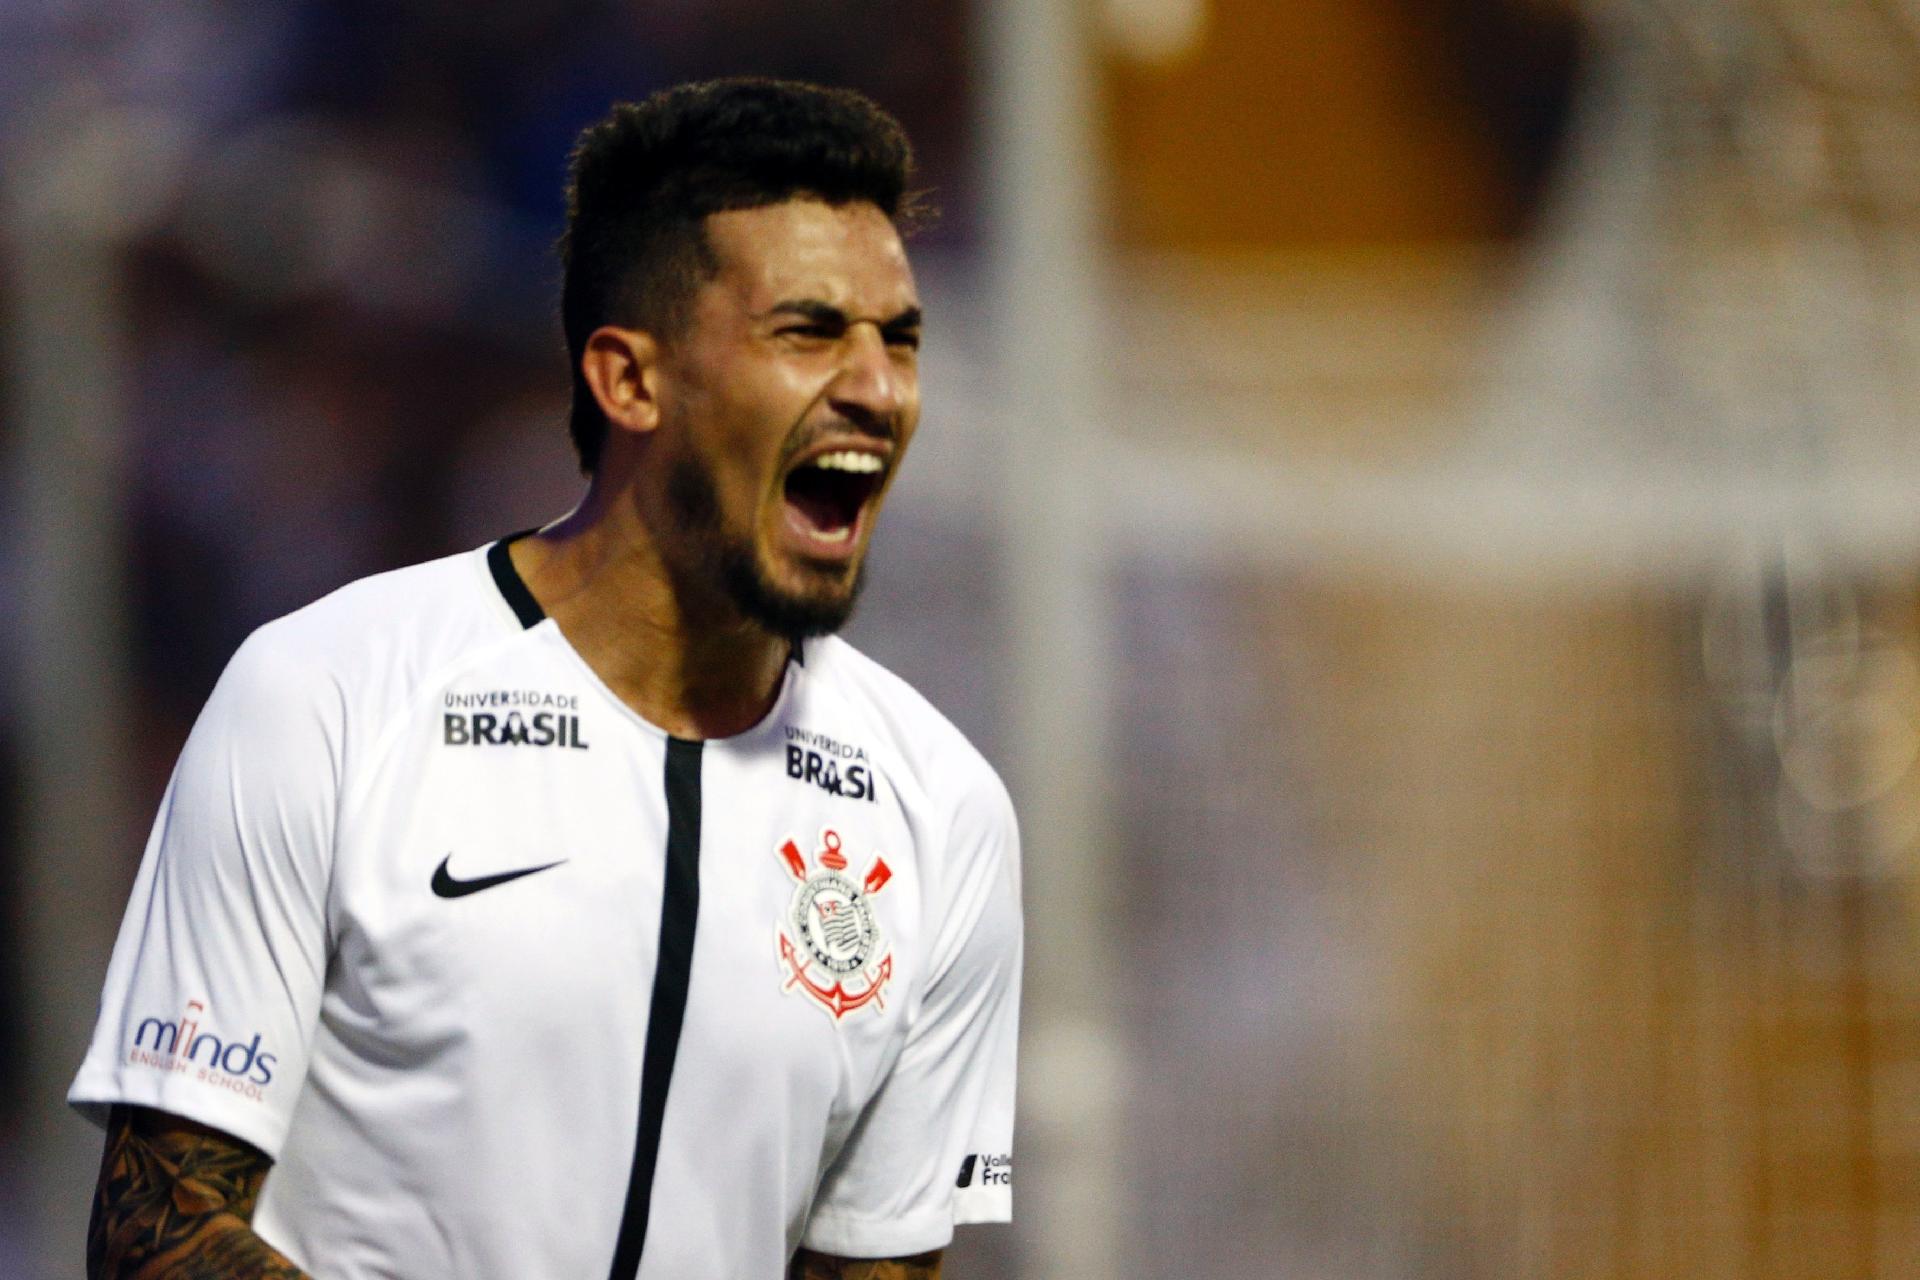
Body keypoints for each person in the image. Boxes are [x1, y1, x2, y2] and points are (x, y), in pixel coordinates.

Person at [70, 78, 1021, 1280]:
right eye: (809, 332)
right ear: (629, 380)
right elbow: (152, 1230)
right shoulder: (322, 699)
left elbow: (881, 1262)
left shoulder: (943, 810)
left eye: (900, 338)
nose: (879, 388)